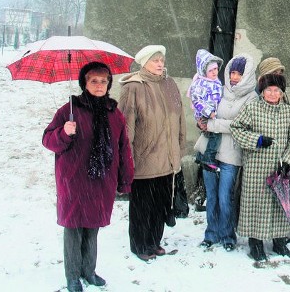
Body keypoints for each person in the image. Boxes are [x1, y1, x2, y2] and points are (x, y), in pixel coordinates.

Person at [42, 62, 134, 292]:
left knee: (92, 226)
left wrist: (125, 179)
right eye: (94, 80)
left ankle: (89, 270)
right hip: (73, 180)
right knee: (73, 227)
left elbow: (123, 148)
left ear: (109, 83)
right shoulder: (69, 110)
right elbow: (48, 140)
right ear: (84, 83)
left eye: (104, 81)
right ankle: (73, 275)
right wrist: (64, 132)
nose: (99, 85)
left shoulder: (115, 113)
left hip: (101, 180)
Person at [118, 45, 188, 262]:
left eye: (162, 60)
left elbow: (180, 119)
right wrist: (126, 159)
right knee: (142, 207)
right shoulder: (134, 88)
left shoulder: (169, 85)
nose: (160, 64)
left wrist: (179, 148)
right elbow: (126, 128)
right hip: (144, 159)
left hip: (167, 160)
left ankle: (154, 241)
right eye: (155, 60)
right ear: (144, 62)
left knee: (160, 205)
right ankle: (140, 244)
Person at [231, 74, 290, 261]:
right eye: (268, 90)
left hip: (280, 169)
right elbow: (236, 128)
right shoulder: (252, 108)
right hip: (256, 168)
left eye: (276, 90)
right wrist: (257, 140)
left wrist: (288, 160)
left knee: (281, 205)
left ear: (281, 93)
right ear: (262, 92)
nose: (272, 93)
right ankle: (255, 243)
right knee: (256, 205)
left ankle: (279, 242)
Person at [194, 54, 257, 251]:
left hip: (231, 153)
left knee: (225, 197)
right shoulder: (218, 90)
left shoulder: (252, 97)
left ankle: (228, 235)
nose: (234, 77)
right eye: (232, 72)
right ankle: (211, 234)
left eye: (239, 73)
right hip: (210, 152)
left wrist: (211, 124)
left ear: (246, 75)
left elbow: (241, 125)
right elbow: (203, 108)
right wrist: (201, 121)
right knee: (211, 196)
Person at [188, 49, 224, 170]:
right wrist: (209, 112)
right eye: (210, 70)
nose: (214, 72)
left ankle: (200, 156)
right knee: (215, 135)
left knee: (208, 136)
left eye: (215, 69)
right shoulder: (200, 84)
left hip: (213, 114)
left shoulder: (216, 82)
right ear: (204, 71)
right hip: (204, 114)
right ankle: (208, 158)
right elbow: (197, 100)